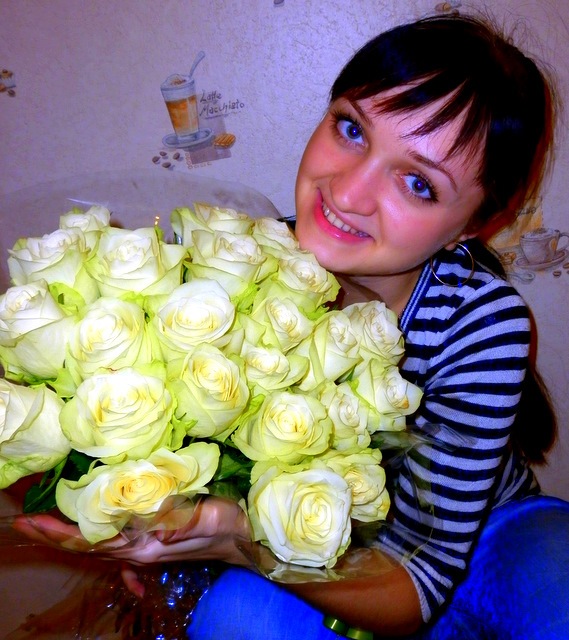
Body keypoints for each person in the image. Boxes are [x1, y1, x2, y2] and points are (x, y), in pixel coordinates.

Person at [15, 13, 569, 640]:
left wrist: (238, 540)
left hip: (487, 537)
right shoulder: (230, 267)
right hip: (294, 550)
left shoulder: (478, 320)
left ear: (471, 226)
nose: (349, 193)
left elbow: (418, 585)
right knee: (237, 617)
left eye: (418, 183)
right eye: (352, 129)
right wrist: (149, 514)